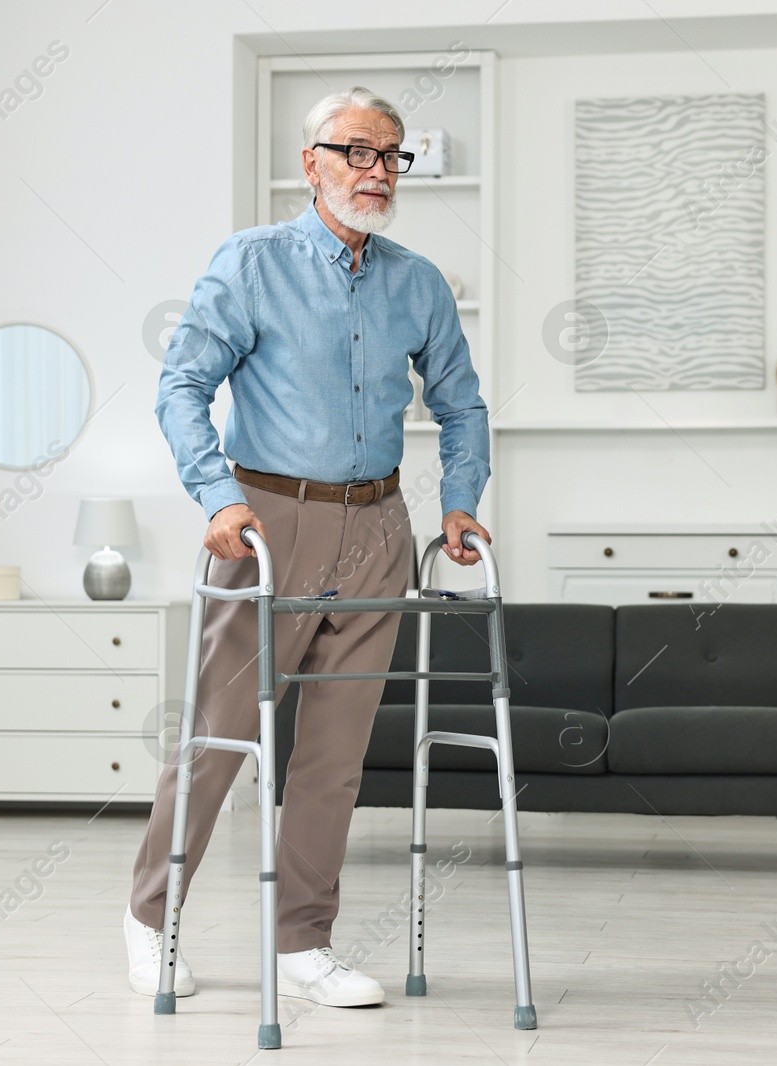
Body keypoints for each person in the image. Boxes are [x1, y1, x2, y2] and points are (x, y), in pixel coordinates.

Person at [125, 85, 491, 1007]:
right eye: (357, 152)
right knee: (220, 735)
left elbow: (461, 404)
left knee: (335, 752)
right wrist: (215, 495)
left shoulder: (417, 281)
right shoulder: (251, 263)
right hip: (265, 524)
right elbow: (182, 387)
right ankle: (149, 920)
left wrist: (458, 502)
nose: (376, 172)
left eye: (390, 156)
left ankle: (303, 942)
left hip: (377, 526)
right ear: (312, 162)